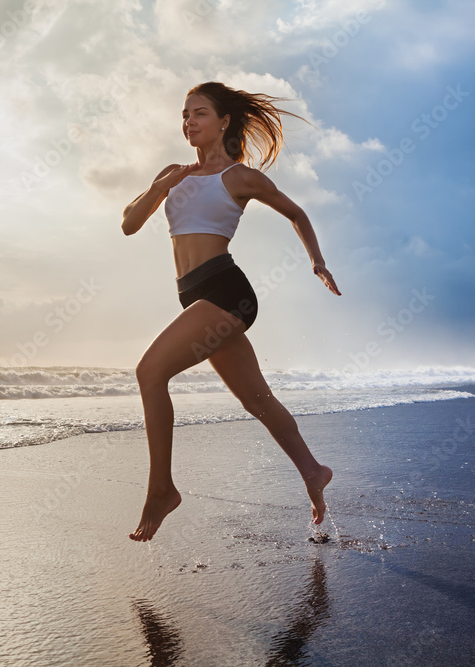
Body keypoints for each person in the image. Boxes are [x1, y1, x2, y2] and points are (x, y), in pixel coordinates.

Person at [121, 81, 341, 542]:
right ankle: (313, 471)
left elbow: (297, 213)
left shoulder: (240, 178)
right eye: (184, 115)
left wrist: (316, 261)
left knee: (150, 373)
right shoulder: (173, 174)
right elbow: (129, 223)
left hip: (226, 292)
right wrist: (161, 185)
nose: (189, 122)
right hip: (194, 296)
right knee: (256, 400)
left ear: (223, 122)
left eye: (199, 113)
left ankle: (161, 489)